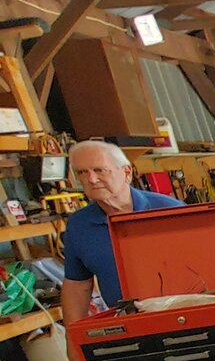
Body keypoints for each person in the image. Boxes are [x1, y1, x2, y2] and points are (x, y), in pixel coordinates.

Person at [60, 140, 183, 328]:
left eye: (100, 170)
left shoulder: (170, 211)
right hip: (128, 325)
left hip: (182, 317)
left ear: (126, 172)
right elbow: (77, 286)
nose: (91, 179)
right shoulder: (79, 225)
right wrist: (73, 337)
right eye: (82, 172)